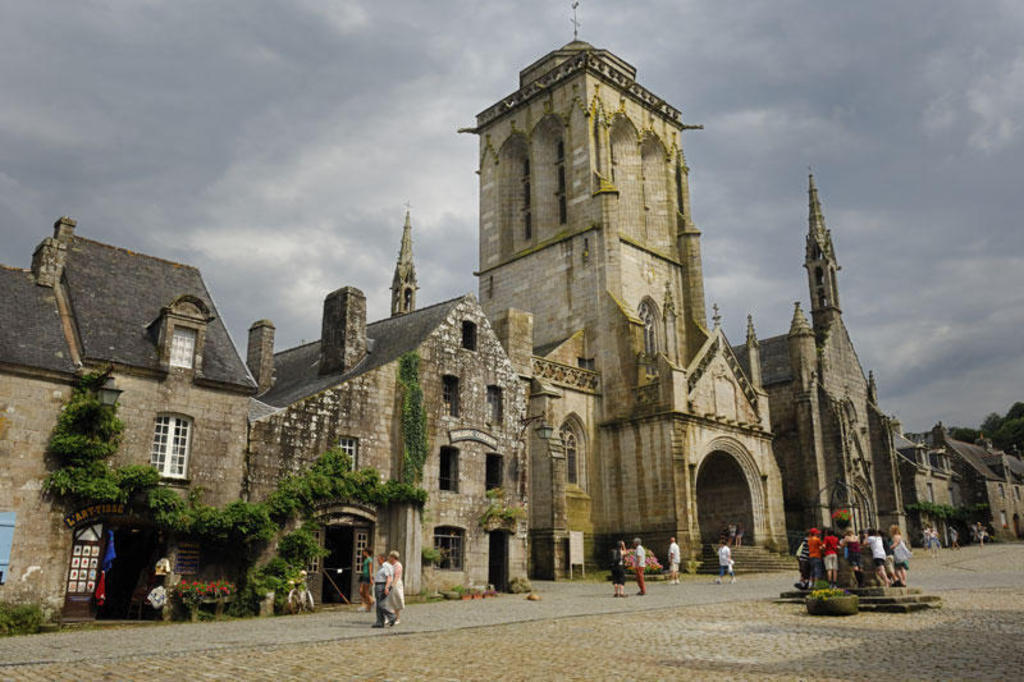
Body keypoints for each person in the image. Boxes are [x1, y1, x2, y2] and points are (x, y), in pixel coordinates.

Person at [371, 553, 395, 628]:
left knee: (380, 605)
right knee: (379, 605)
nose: (377, 560)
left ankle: (392, 616)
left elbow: (389, 577)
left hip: (381, 586)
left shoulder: (385, 566)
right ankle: (380, 622)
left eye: (378, 559)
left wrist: (387, 587)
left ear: (382, 559)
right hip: (379, 585)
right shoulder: (383, 566)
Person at [386, 550, 405, 625]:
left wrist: (392, 586)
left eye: (390, 556)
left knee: (396, 601)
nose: (389, 558)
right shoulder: (390, 565)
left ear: (393, 557)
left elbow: (396, 576)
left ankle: (397, 618)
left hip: (396, 585)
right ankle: (389, 617)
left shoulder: (398, 565)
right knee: (388, 601)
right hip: (390, 583)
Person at [358, 548, 374, 612]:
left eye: (364, 552)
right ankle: (371, 601)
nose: (363, 553)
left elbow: (370, 569)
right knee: (361, 591)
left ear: (366, 552)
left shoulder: (369, 559)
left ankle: (369, 605)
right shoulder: (366, 559)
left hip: (367, 577)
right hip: (364, 576)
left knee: (366, 593)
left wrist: (370, 578)